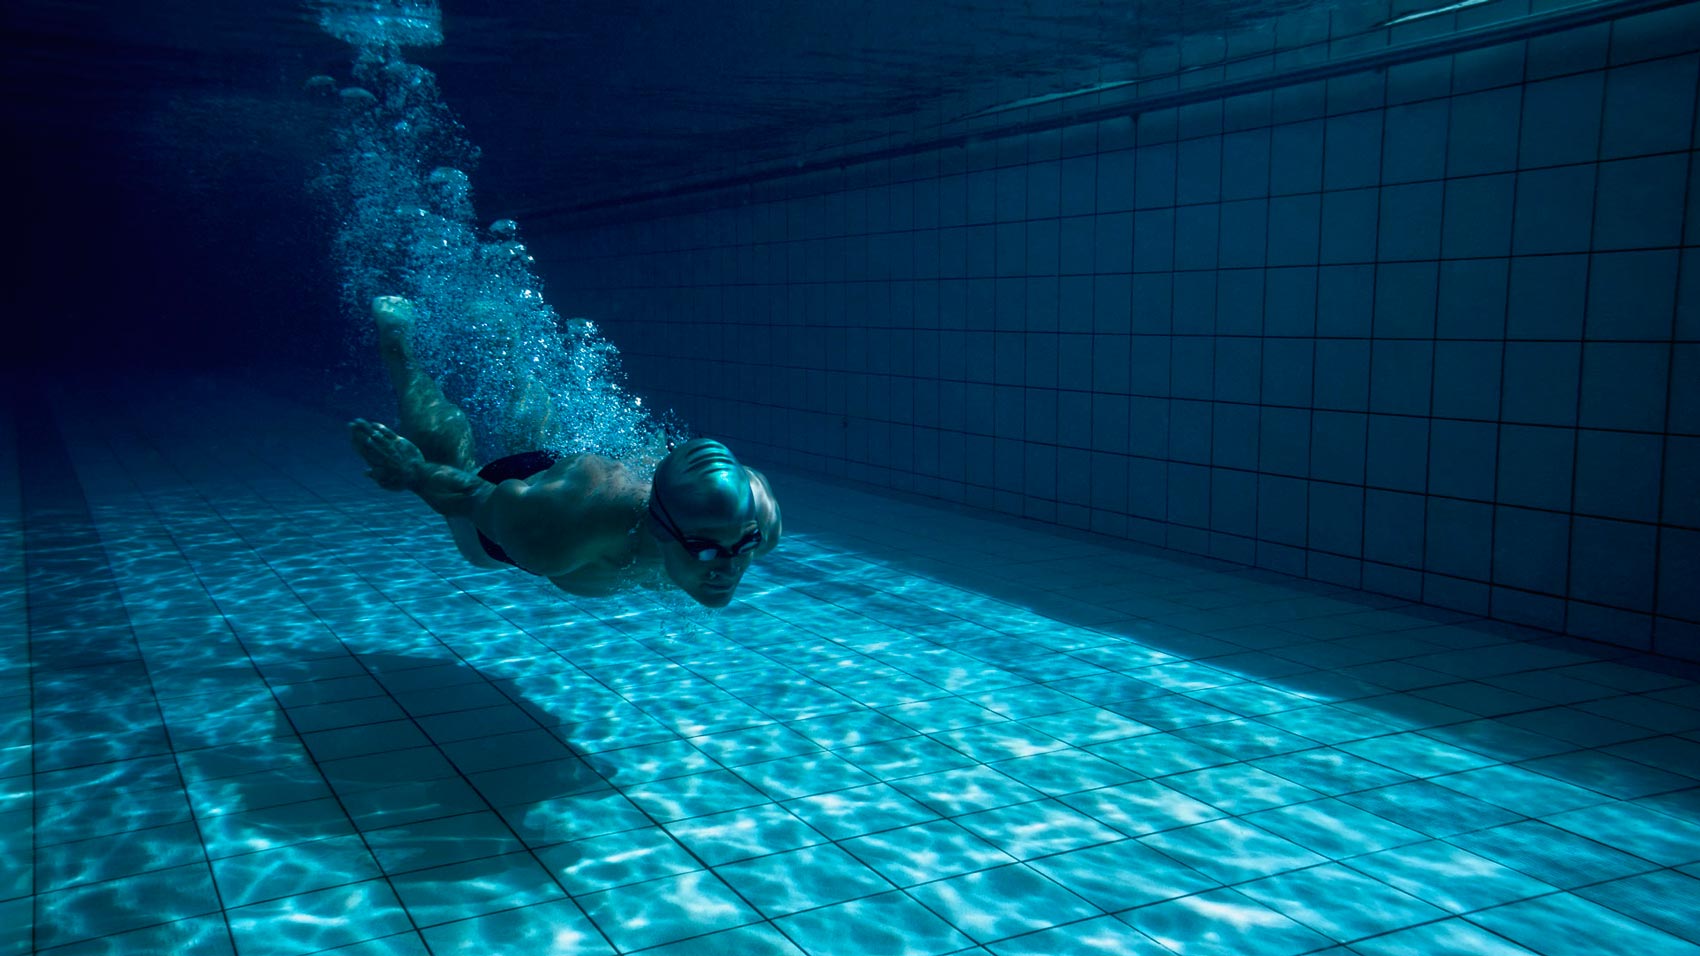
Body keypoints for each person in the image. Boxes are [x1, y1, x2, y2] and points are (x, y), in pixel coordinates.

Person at [349, 295, 781, 607]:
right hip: (522, 508)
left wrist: (728, 539)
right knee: (449, 451)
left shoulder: (757, 521)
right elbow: (467, 495)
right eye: (704, 550)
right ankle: (397, 344)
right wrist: (412, 473)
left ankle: (511, 356)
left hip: (573, 484)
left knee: (544, 441)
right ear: (663, 529)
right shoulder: (555, 533)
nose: (729, 569)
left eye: (744, 545)